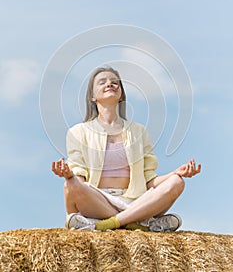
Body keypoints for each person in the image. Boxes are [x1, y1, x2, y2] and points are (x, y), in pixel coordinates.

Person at [52, 66, 201, 232]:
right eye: (102, 82)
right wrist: (68, 175)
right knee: (69, 185)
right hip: (99, 200)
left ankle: (110, 223)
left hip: (136, 200)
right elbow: (79, 181)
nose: (110, 84)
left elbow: (150, 180)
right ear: (93, 97)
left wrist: (176, 173)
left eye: (115, 82)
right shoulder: (77, 132)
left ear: (121, 93)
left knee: (177, 182)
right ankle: (138, 221)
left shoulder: (139, 131)